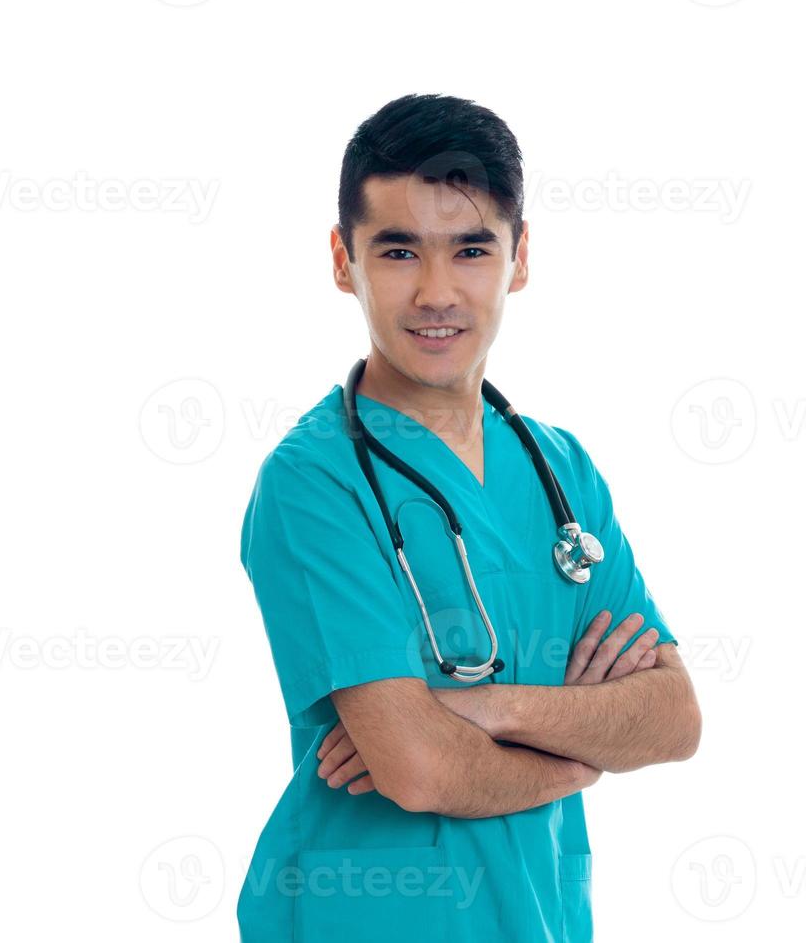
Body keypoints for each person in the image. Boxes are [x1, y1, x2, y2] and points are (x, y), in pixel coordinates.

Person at [237, 93, 702, 942]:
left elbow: (672, 717)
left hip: (541, 919)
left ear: (519, 259)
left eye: (472, 249)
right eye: (400, 250)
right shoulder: (314, 484)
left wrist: (479, 708)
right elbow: (415, 770)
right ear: (344, 260)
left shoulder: (559, 470)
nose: (436, 292)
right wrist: (585, 753)